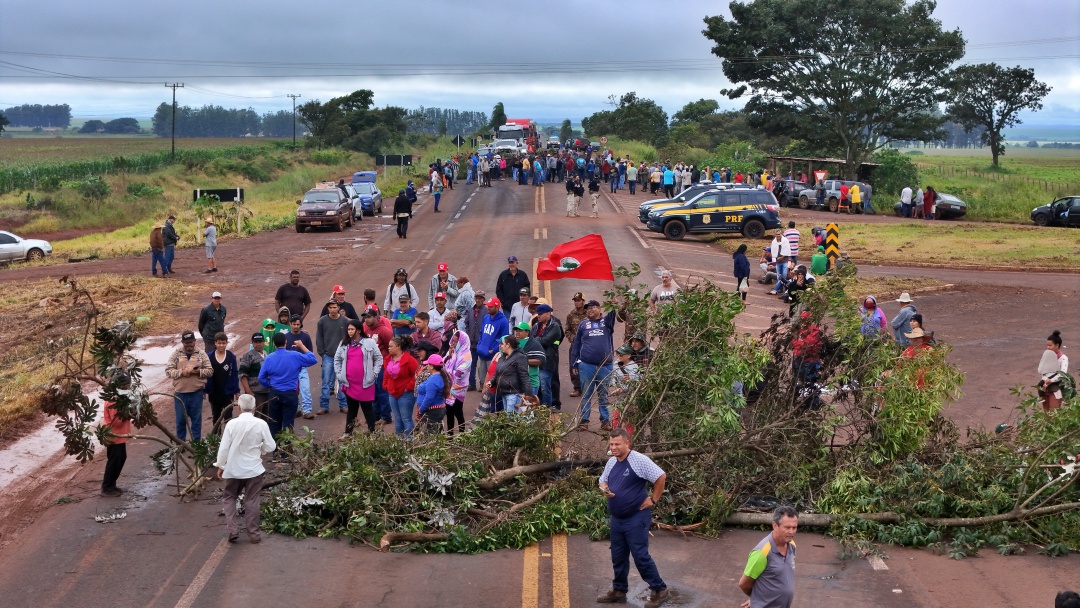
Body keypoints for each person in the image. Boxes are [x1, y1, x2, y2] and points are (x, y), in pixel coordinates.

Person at [596, 429, 670, 607]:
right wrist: (604, 487)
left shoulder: (638, 460)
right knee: (618, 555)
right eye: (611, 444)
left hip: (636, 517)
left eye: (617, 444)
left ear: (627, 443)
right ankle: (619, 590)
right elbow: (602, 480)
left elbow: (661, 476)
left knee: (640, 556)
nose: (613, 447)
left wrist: (653, 499)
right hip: (617, 519)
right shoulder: (612, 462)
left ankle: (659, 589)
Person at [214, 394, 276, 544]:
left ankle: (233, 530)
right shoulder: (261, 424)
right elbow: (271, 446)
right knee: (252, 500)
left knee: (229, 497)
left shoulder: (231, 424)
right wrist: (260, 449)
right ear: (254, 407)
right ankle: (254, 534)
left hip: (234, 469)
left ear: (239, 407)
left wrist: (221, 466)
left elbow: (223, 449)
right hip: (254, 470)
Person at [258, 332, 317, 440]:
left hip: (274, 393)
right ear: (286, 342)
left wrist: (270, 385)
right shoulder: (294, 355)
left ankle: (276, 450)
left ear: (274, 344)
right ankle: (286, 452)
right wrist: (302, 346)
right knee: (288, 424)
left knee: (274, 423)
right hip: (290, 394)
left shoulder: (269, 358)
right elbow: (313, 359)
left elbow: (261, 377)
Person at [570, 299, 617, 431]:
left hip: (605, 366)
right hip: (586, 365)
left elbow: (612, 315)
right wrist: (574, 364)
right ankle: (584, 421)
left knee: (603, 395)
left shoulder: (606, 322)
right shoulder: (583, 325)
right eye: (588, 308)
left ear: (600, 309)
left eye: (593, 307)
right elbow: (576, 345)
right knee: (587, 394)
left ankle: (605, 421)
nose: (589, 310)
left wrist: (613, 304)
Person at [738, 506, 798, 608]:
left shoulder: (792, 545)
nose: (791, 532)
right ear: (775, 525)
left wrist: (756, 598)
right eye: (787, 527)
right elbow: (744, 584)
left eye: (794, 527)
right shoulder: (762, 552)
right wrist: (756, 598)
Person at [334, 319, 382, 437]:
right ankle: (347, 433)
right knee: (352, 409)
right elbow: (337, 359)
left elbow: (379, 358)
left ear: (359, 330)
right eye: (348, 329)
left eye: (352, 329)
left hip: (365, 383)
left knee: (367, 409)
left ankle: (372, 433)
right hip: (349, 383)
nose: (350, 332)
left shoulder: (369, 343)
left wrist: (374, 373)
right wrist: (340, 374)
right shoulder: (344, 343)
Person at [165, 330, 213, 442]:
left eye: (191, 342)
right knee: (180, 421)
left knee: (196, 421)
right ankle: (180, 444)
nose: (189, 344)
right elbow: (168, 371)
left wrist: (196, 372)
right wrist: (182, 372)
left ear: (195, 341)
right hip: (180, 394)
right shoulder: (176, 354)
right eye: (186, 342)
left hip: (197, 393)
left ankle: (196, 445)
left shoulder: (201, 354)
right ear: (182, 342)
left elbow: (210, 371)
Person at [361, 308, 395, 427]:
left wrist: (389, 364)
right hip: (369, 366)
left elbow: (392, 349)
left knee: (382, 392)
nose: (367, 319)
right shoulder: (365, 330)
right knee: (372, 392)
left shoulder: (384, 331)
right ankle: (376, 415)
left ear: (376, 317)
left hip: (381, 367)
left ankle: (386, 416)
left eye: (369, 317)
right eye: (366, 317)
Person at [316, 299, 350, 415]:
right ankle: (324, 406)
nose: (332, 309)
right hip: (328, 356)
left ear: (338, 307)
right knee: (326, 381)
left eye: (334, 307)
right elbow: (319, 338)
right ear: (327, 308)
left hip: (342, 356)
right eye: (330, 307)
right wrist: (322, 353)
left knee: (342, 380)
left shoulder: (344, 321)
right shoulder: (322, 321)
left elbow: (348, 337)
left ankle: (343, 405)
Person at [383, 335, 419, 438]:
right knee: (397, 419)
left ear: (398, 346)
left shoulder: (410, 360)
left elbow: (416, 375)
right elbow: (386, 373)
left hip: (406, 394)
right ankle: (399, 440)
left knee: (406, 418)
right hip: (392, 393)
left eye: (391, 346)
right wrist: (385, 385)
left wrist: (408, 387)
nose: (388, 348)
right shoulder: (388, 359)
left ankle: (409, 440)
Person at [531, 303, 563, 411]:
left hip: (548, 361)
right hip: (536, 361)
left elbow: (545, 341)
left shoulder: (555, 326)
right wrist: (537, 341)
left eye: (540, 314)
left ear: (548, 314)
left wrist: (536, 341)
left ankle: (546, 409)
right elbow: (531, 340)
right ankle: (537, 409)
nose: (538, 316)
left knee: (545, 387)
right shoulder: (536, 326)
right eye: (538, 314)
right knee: (537, 388)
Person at [490, 335, 533, 414]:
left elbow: (524, 376)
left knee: (513, 420)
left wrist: (528, 392)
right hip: (504, 393)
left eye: (502, 344)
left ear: (508, 345)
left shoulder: (520, 357)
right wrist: (491, 382)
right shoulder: (502, 357)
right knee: (509, 419)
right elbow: (497, 373)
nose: (500, 346)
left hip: (514, 394)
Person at [205, 332, 239, 432]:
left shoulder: (231, 357)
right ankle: (216, 441)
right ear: (215, 343)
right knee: (216, 417)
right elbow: (205, 374)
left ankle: (228, 440)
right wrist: (204, 389)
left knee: (228, 418)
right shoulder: (209, 357)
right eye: (219, 343)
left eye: (223, 343)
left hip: (227, 393)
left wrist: (236, 391)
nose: (221, 345)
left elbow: (234, 374)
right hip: (214, 392)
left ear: (226, 343)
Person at [284, 314, 316, 419]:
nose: (296, 326)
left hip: (302, 367)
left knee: (305, 388)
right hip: (290, 368)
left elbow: (310, 352)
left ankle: (307, 410)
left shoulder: (305, 336)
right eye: (294, 324)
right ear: (290, 324)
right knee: (293, 390)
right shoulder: (286, 337)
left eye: (298, 324)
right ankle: (296, 409)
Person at [100, 391, 132, 497]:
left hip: (119, 436)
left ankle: (111, 485)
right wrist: (130, 413)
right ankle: (107, 487)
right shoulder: (114, 401)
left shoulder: (118, 398)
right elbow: (117, 421)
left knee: (120, 458)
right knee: (115, 461)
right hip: (114, 435)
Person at [476, 296, 509, 388]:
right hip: (482, 353)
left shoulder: (503, 321)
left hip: (492, 356)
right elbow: (481, 333)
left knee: (491, 381)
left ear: (497, 307)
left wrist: (493, 350)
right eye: (488, 306)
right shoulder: (486, 317)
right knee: (482, 379)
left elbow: (504, 339)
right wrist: (479, 346)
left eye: (491, 306)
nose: (488, 308)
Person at [444, 329, 471, 435]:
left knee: (458, 412)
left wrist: (448, 372)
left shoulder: (466, 355)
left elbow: (461, 373)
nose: (453, 343)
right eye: (453, 341)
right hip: (449, 386)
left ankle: (461, 435)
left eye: (456, 341)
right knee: (449, 412)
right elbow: (443, 363)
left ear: (462, 342)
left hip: (458, 388)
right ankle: (450, 436)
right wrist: (448, 356)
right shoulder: (452, 351)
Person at [238, 332, 269, 417]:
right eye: (256, 342)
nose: (258, 344)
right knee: (256, 417)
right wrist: (248, 391)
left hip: (267, 392)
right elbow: (242, 374)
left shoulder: (266, 354)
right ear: (252, 343)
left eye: (260, 342)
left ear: (264, 342)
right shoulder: (248, 356)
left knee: (266, 418)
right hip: (255, 392)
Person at [416, 354, 449, 433]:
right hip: (438, 409)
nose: (426, 366)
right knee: (436, 432)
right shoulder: (441, 376)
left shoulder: (433, 380)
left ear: (432, 366)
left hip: (432, 412)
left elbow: (429, 398)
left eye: (428, 364)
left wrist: (421, 411)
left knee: (430, 435)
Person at [1037, 330, 1069, 411]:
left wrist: (1050, 381)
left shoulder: (1063, 358)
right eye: (1047, 345)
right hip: (1045, 386)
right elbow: (1042, 370)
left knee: (1054, 414)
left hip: (1056, 387)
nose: (1048, 347)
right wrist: (1045, 380)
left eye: (1050, 345)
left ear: (1057, 345)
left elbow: (1062, 374)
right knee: (1046, 414)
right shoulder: (1047, 355)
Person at [565, 293, 589, 397]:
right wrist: (572, 339)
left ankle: (588, 386)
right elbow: (567, 330)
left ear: (583, 301)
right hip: (575, 345)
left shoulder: (589, 314)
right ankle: (577, 388)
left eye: (579, 300)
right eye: (575, 300)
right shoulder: (571, 315)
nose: (577, 302)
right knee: (573, 366)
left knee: (588, 366)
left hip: (587, 345)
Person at [463, 290, 486, 391]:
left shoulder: (486, 311)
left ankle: (482, 383)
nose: (478, 300)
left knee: (481, 365)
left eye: (480, 298)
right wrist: (468, 334)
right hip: (471, 343)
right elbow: (466, 323)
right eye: (477, 298)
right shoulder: (471, 310)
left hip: (482, 343)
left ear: (483, 299)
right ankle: (471, 384)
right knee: (471, 364)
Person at [513, 321, 545, 395]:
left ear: (527, 332)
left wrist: (522, 361)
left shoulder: (533, 343)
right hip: (516, 384)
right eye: (516, 330)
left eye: (520, 330)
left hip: (531, 383)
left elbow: (540, 361)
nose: (517, 332)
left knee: (528, 406)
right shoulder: (513, 343)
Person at [768, 230, 792, 296]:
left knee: (784, 275)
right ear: (775, 235)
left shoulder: (785, 241)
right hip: (778, 261)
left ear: (781, 234)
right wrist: (776, 258)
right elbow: (773, 251)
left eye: (779, 234)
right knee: (779, 275)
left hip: (784, 260)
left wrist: (782, 257)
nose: (778, 236)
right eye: (777, 234)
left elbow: (787, 250)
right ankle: (780, 288)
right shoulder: (774, 242)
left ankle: (777, 288)